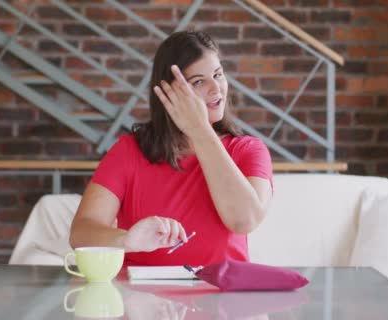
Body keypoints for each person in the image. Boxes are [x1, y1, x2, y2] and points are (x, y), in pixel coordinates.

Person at [69, 30, 273, 266]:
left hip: (220, 296)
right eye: (199, 81)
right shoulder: (129, 150)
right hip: (141, 296)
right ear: (168, 93)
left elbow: (244, 221)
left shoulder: (248, 150)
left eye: (218, 75)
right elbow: (80, 233)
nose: (216, 89)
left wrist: (199, 130)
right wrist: (126, 240)